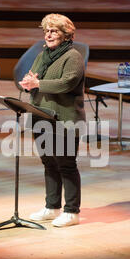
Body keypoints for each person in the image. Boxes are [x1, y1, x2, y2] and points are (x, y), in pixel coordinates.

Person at [19, 13, 85, 227]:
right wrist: (29, 82)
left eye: (54, 31)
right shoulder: (43, 55)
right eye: (46, 31)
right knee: (49, 163)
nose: (48, 34)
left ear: (66, 35)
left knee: (66, 164)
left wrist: (38, 84)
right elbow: (34, 77)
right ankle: (52, 207)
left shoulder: (73, 56)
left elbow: (67, 83)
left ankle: (72, 212)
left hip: (64, 118)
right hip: (41, 115)